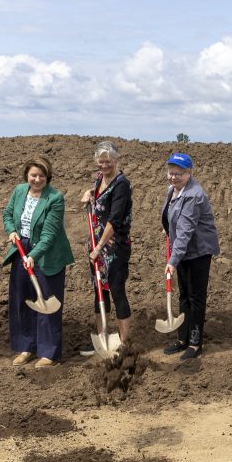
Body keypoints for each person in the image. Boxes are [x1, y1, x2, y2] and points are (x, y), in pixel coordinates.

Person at [2, 155, 74, 368]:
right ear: (27, 175)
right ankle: (27, 347)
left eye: (42, 175)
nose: (37, 179)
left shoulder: (55, 198)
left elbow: (49, 235)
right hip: (21, 248)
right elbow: (7, 214)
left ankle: (48, 352)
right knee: (22, 299)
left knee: (46, 300)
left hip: (47, 253)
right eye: (33, 175)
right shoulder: (19, 191)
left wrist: (34, 255)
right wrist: (11, 231)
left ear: (47, 176)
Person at [160, 153, 220, 360]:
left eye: (179, 173)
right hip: (183, 249)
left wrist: (172, 260)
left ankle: (195, 342)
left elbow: (185, 230)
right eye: (171, 173)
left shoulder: (194, 195)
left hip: (198, 251)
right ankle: (182, 338)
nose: (174, 177)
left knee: (196, 297)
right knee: (184, 294)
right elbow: (171, 220)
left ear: (189, 173)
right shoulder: (173, 191)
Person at [80, 141, 134, 353]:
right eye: (101, 162)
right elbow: (98, 197)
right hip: (96, 245)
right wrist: (89, 194)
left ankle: (124, 342)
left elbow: (114, 219)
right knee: (99, 291)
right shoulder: (99, 179)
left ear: (116, 160)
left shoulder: (122, 185)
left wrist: (99, 247)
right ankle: (102, 338)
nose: (104, 166)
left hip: (114, 247)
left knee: (116, 290)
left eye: (108, 162)